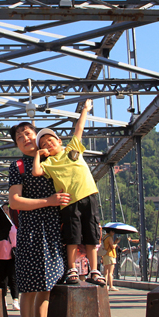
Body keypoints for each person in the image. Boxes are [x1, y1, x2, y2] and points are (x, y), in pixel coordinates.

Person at [8, 121, 70, 317]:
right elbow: (14, 201)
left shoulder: (54, 160)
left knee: (47, 286)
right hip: (31, 230)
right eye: (19, 137)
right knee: (29, 288)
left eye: (28, 133)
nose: (24, 138)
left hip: (53, 230)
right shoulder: (18, 166)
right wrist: (48, 201)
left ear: (36, 136)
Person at [32, 99, 106, 287]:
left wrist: (85, 110)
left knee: (91, 235)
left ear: (59, 141)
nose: (48, 144)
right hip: (68, 202)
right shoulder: (49, 163)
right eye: (43, 144)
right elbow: (36, 172)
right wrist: (38, 155)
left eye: (50, 140)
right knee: (72, 236)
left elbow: (79, 128)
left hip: (88, 195)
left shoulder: (72, 148)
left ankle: (94, 270)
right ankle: (72, 269)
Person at [0, 216, 19, 310]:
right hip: (0, 255)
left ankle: (15, 300)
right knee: (2, 279)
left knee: (13, 278)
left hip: (13, 255)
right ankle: (3, 299)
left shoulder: (15, 224)